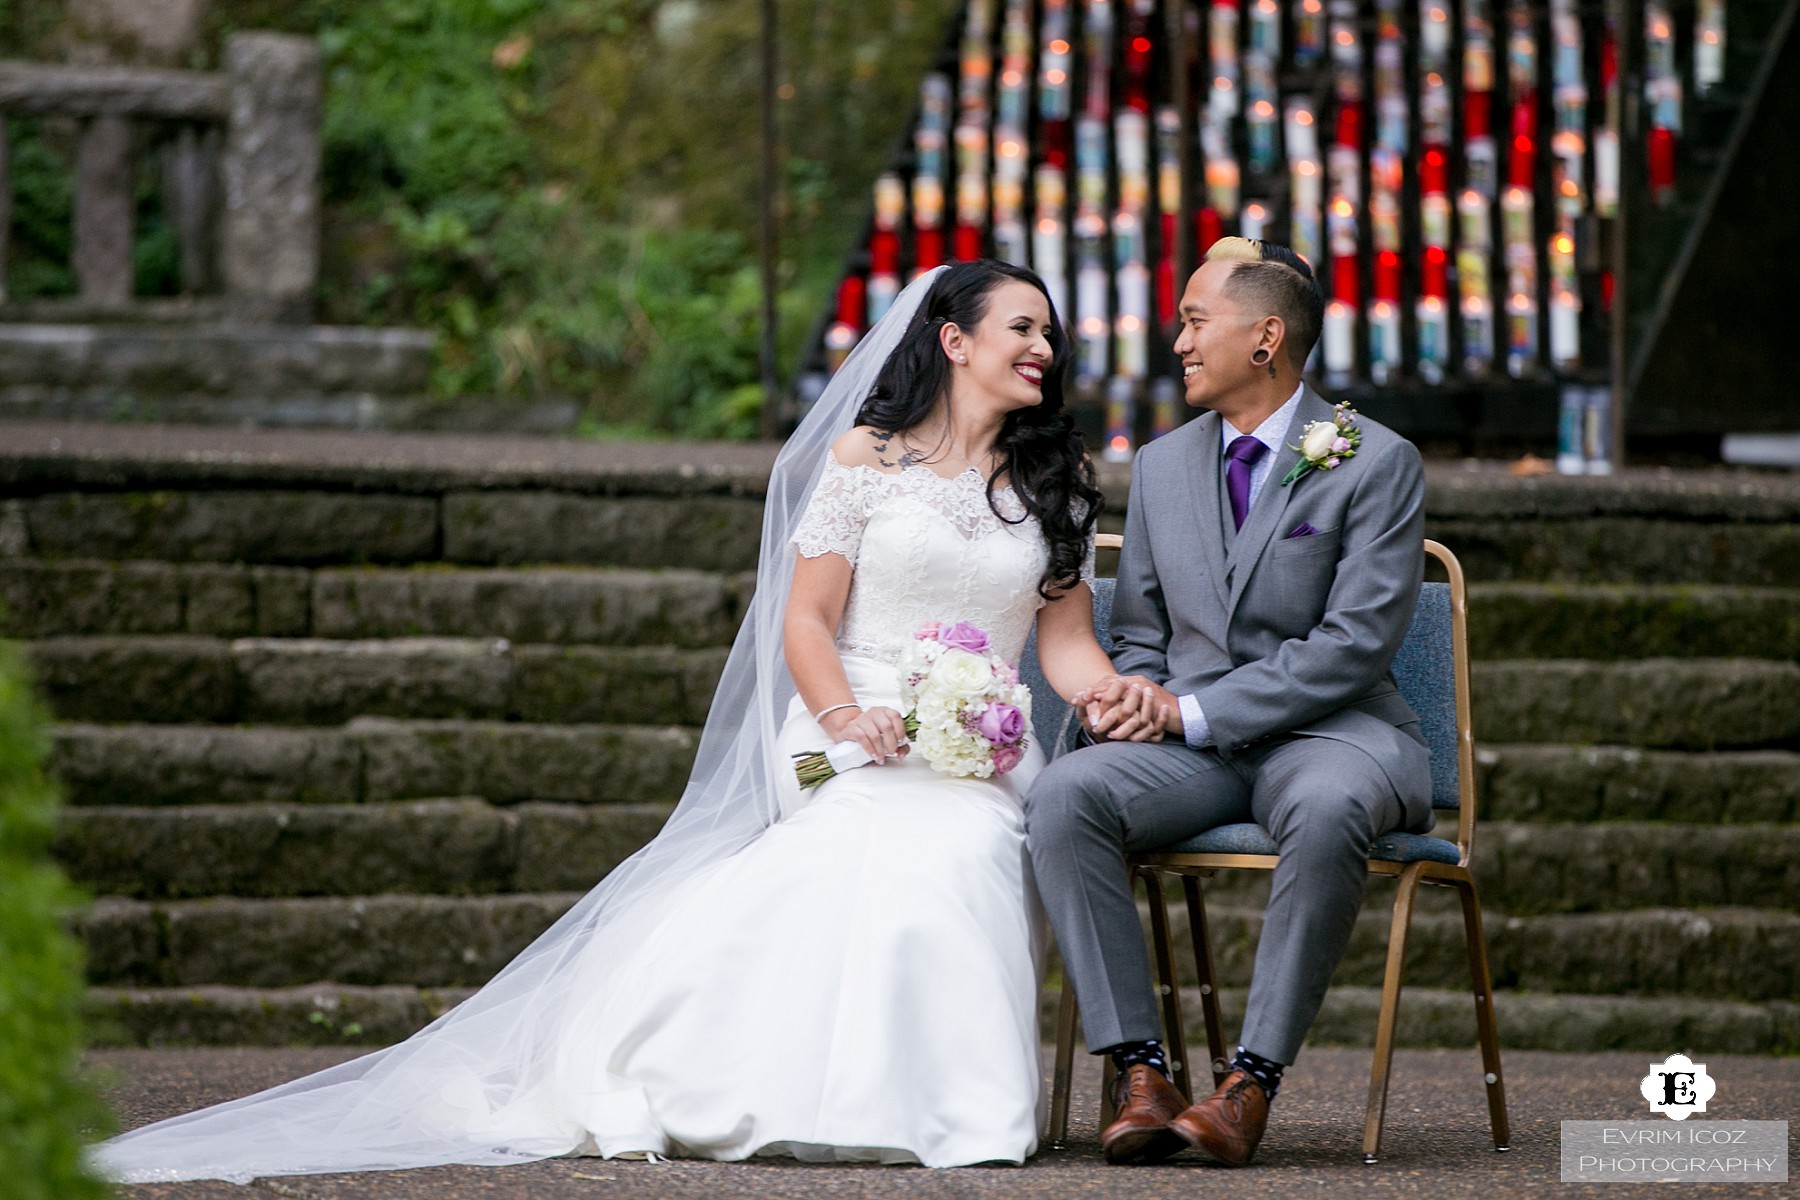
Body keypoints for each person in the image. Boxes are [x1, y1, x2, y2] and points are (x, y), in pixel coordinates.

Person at [91, 259, 1135, 1182]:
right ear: (954, 341)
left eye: (1049, 334)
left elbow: (1065, 645)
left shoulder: (1054, 485)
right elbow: (807, 622)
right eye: (1023, 328)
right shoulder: (865, 460)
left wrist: (1109, 695)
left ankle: (923, 1105)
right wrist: (848, 716)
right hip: (838, 724)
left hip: (979, 746)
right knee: (870, 845)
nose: (1046, 348)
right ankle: (713, 1076)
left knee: (963, 849)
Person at [1025, 237, 1433, 1168]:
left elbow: (1354, 644)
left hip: (1337, 735)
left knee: (1330, 805)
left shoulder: (1375, 460)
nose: (1177, 342)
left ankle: (1250, 1083)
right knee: (1064, 795)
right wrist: (1135, 693)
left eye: (1195, 321)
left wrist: (1190, 713)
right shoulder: (1164, 465)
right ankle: (1141, 1071)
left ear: (1266, 337)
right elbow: (1141, 631)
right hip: (1192, 751)